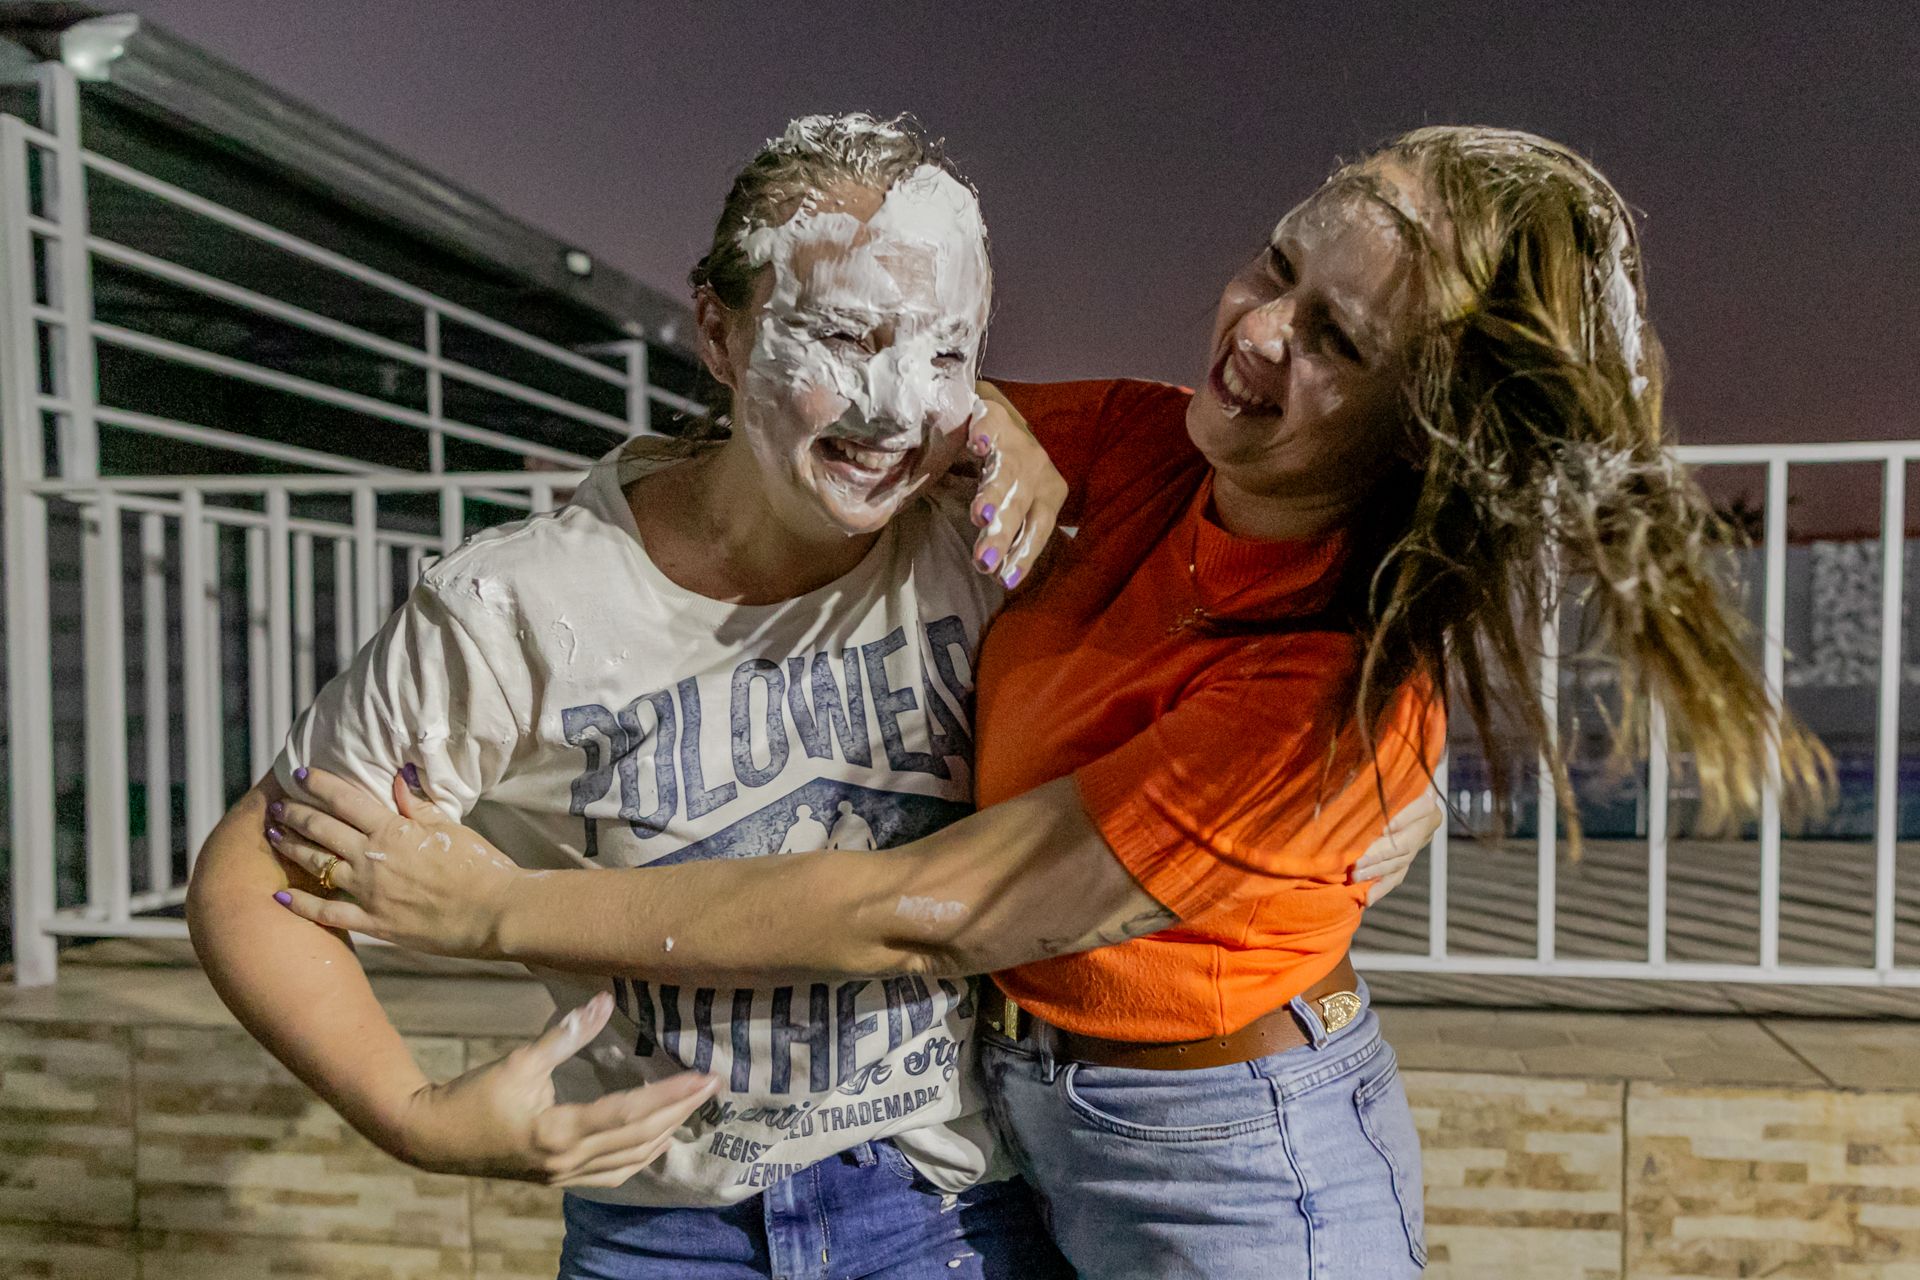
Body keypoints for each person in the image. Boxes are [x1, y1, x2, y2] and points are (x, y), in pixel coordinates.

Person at [271, 123, 1832, 1278]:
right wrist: (1001, 426)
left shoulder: (1328, 694)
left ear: (1427, 422)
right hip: (1024, 1122)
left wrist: (490, 914)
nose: (1261, 330)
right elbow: (945, 407)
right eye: (1280, 266)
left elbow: (932, 910)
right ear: (722, 327)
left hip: (1230, 1159)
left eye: (1342, 339)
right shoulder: (1156, 445)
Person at [188, 113, 1091, 1279]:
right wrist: (411, 1111)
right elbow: (251, 875)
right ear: (718, 329)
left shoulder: (975, 551)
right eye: (845, 335)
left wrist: (1019, 425)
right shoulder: (519, 605)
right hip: (668, 1229)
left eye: (945, 350)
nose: (893, 403)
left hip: (947, 1210)